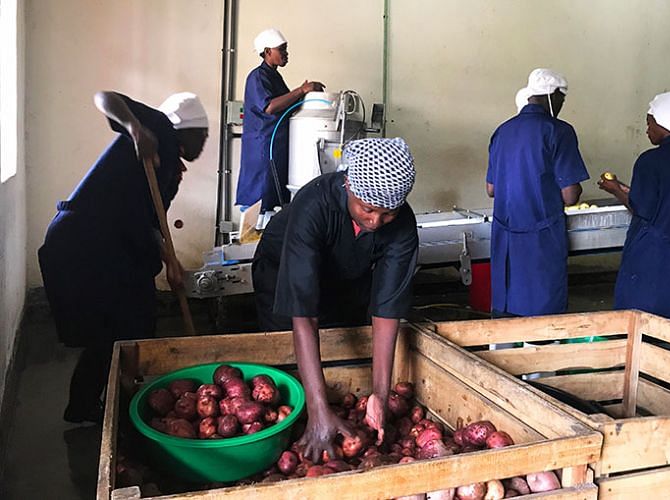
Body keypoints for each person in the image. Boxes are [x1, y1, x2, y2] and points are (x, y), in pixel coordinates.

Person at [38, 91, 209, 424]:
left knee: (124, 329)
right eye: (202, 132)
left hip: (113, 248)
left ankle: (96, 407)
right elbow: (105, 97)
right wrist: (134, 128)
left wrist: (170, 260)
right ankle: (129, 407)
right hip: (85, 243)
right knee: (124, 328)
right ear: (185, 129)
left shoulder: (170, 171)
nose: (204, 140)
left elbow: (152, 223)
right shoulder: (156, 129)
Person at [251, 137, 418, 461]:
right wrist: (317, 410)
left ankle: (324, 410)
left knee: (341, 347)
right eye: (367, 209)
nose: (374, 222)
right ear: (348, 185)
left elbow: (386, 310)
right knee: (285, 359)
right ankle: (309, 415)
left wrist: (379, 395)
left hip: (344, 281)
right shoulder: (314, 204)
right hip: (282, 274)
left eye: (387, 214)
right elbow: (303, 314)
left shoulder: (402, 226)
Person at [599, 89, 670, 324]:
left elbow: (643, 208)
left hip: (654, 252)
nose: (647, 129)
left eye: (650, 123)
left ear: (666, 123)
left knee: (644, 318)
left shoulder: (651, 160)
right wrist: (628, 189)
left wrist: (616, 190)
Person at [486, 68, 589, 317]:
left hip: (506, 236)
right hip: (541, 238)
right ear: (553, 96)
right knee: (543, 313)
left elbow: (491, 189)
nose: (563, 104)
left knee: (506, 311)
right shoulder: (558, 131)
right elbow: (570, 195)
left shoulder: (502, 131)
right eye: (562, 99)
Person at [235, 28, 325, 228]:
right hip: (263, 146)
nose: (286, 54)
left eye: (286, 49)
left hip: (278, 146)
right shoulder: (257, 77)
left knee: (275, 199)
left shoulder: (274, 77)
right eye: (281, 49)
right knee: (259, 198)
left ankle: (267, 238)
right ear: (267, 52)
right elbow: (270, 106)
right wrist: (301, 90)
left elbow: (289, 106)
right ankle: (251, 240)